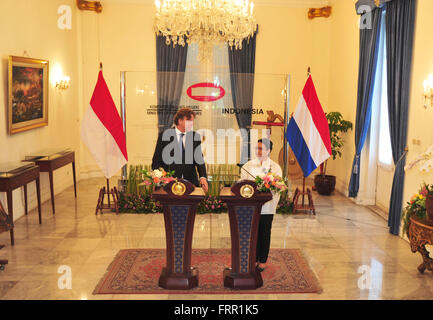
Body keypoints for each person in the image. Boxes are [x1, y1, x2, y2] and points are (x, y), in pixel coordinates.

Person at [240, 138, 282, 272]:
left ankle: (262, 260)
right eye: (256, 148)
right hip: (251, 206)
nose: (258, 151)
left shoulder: (275, 167)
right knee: (253, 233)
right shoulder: (248, 166)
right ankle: (253, 259)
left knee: (264, 233)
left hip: (267, 207)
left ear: (268, 151)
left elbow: (278, 186)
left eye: (261, 148)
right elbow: (242, 184)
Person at [152, 107, 208, 193]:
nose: (192, 124)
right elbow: (156, 159)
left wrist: (203, 177)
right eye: (189, 121)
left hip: (191, 183)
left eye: (192, 121)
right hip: (168, 185)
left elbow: (199, 160)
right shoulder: (164, 135)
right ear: (180, 121)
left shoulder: (194, 137)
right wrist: (157, 178)